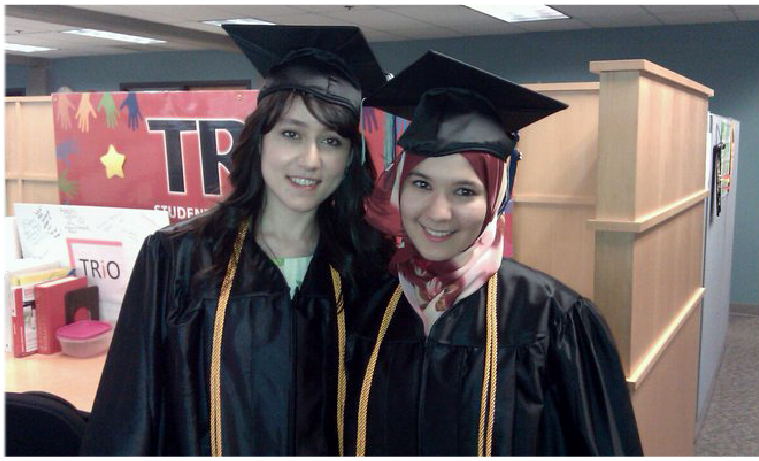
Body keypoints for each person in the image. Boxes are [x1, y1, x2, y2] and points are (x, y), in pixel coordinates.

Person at [80, 25, 392, 455]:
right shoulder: (177, 258)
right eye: (291, 134)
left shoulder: (367, 267)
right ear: (258, 140)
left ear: (349, 159)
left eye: (331, 140)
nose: (311, 159)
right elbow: (129, 413)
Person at [343, 51, 644, 456]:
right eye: (421, 184)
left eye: (464, 191)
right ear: (399, 186)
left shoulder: (554, 319)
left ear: (496, 198)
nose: (437, 212)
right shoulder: (370, 307)